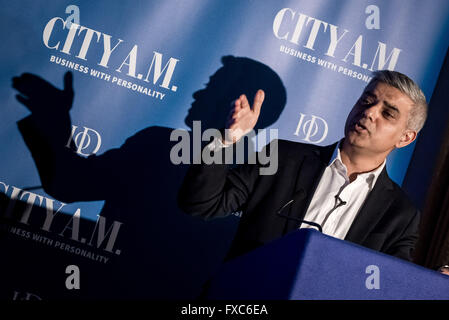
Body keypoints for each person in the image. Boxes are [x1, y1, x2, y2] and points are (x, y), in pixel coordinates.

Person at [10, 56, 286, 298]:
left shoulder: (159, 147)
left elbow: (68, 182)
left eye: (211, 86)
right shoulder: (264, 180)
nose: (197, 94)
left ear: (235, 103)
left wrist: (53, 115)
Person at [178, 70, 428, 263]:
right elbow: (201, 204)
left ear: (405, 138)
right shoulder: (281, 157)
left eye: (388, 113)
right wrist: (226, 141)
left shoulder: (400, 214)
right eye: (367, 100)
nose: (369, 112)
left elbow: (392, 287)